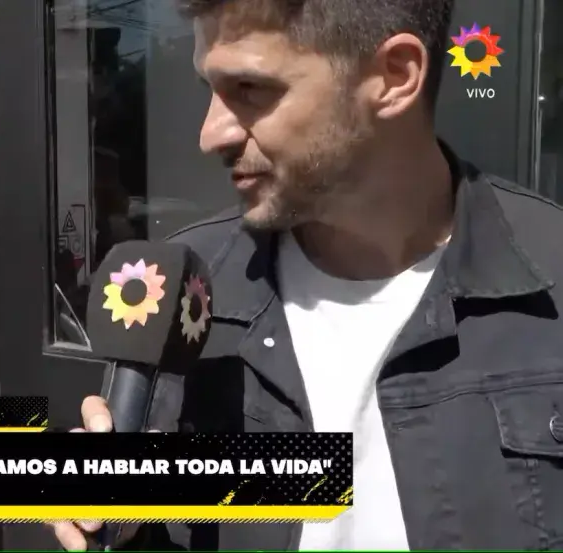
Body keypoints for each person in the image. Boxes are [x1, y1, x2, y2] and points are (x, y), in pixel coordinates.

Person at [52, 0, 563, 550]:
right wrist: (121, 530)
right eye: (210, 89)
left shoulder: (549, 285)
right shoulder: (179, 291)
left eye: (250, 89)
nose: (211, 134)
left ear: (395, 76)